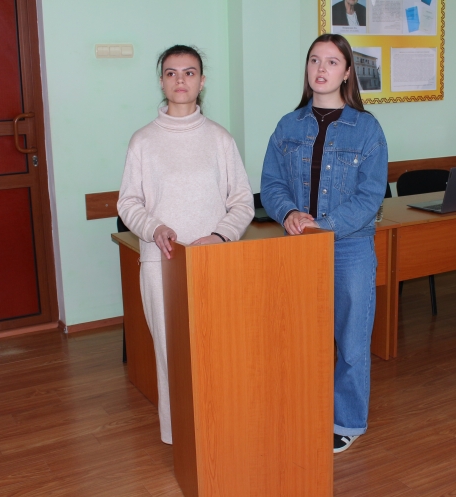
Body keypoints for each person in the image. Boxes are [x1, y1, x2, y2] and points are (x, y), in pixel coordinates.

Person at [117, 45, 254, 444]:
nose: (181, 80)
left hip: (213, 263)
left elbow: (242, 202)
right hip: (162, 263)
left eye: (189, 72)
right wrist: (154, 228)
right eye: (172, 73)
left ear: (202, 81)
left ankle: (220, 432)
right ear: (161, 82)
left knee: (218, 350)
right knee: (172, 354)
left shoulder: (220, 139)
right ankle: (180, 440)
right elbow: (128, 202)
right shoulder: (143, 141)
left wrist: (220, 235)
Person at [260, 34, 388, 454]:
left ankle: (346, 421)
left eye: (332, 62)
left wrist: (324, 225)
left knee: (351, 341)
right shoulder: (288, 126)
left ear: (347, 72)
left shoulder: (367, 129)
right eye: (315, 60)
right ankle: (302, 408)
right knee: (298, 337)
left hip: (350, 247)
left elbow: (370, 197)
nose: (321, 68)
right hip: (298, 246)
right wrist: (289, 213)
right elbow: (271, 184)